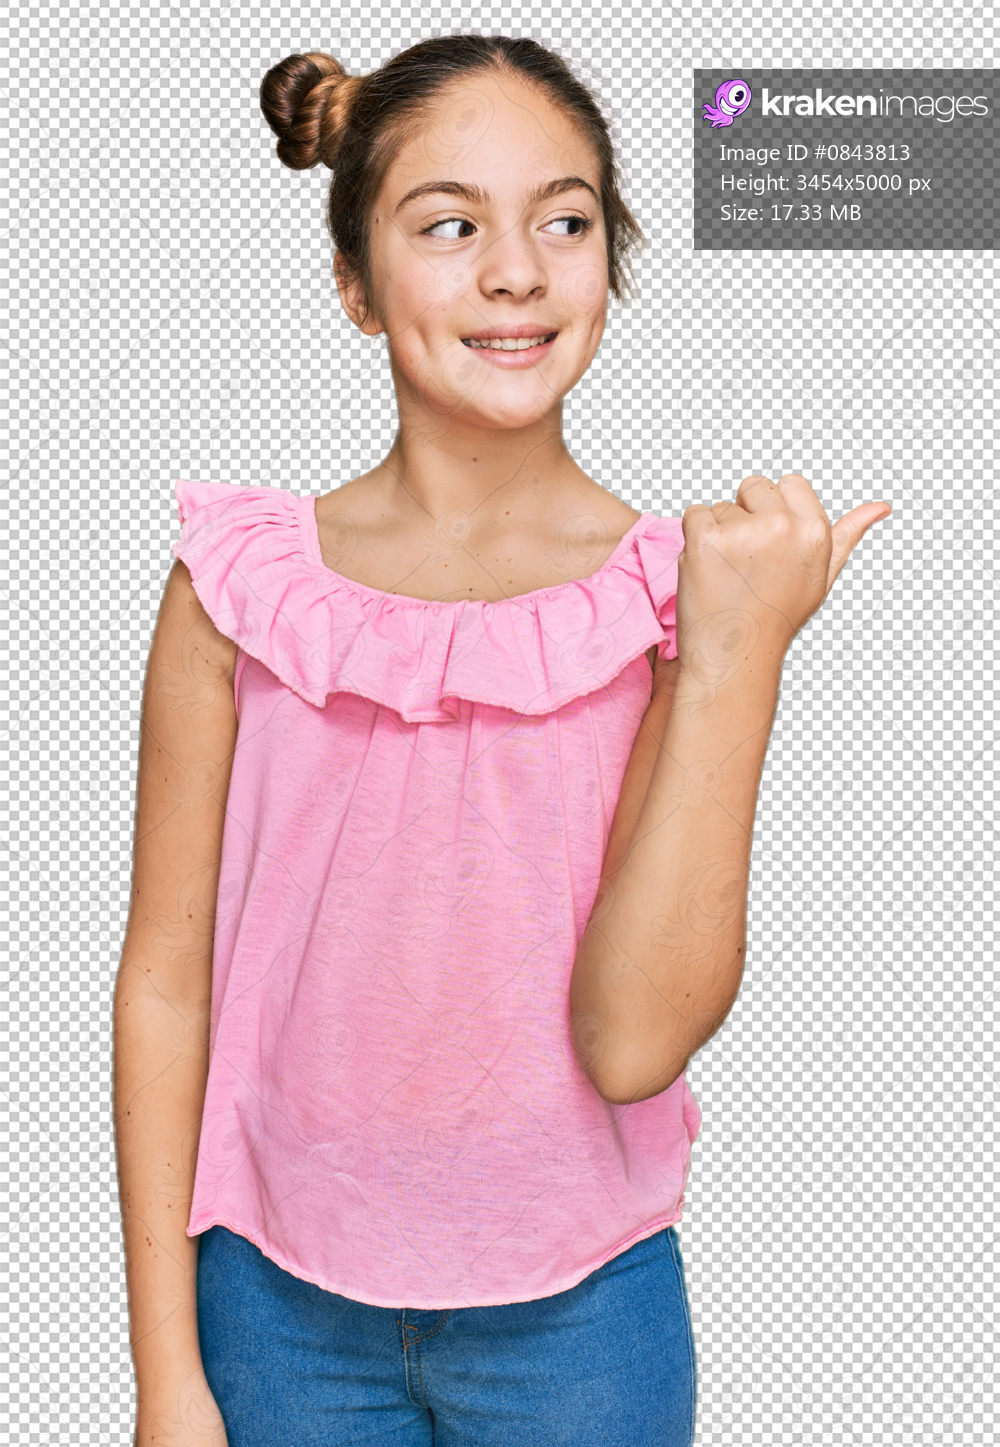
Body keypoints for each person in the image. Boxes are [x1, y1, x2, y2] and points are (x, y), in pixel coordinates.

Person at [113, 33, 890, 1447]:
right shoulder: (235, 587)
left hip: (582, 1319)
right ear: (354, 281)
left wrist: (741, 655)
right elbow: (166, 985)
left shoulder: (674, 598)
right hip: (274, 1310)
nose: (517, 269)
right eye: (450, 224)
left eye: (566, 220)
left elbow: (635, 1034)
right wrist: (167, 1374)